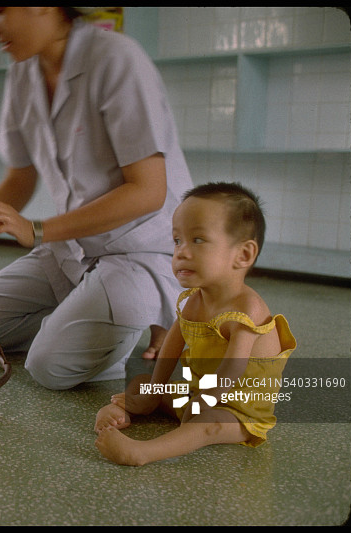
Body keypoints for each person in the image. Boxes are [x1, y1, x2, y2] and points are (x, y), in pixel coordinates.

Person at [0, 7, 193, 390]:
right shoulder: (23, 71)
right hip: (76, 246)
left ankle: (146, 320)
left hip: (139, 248)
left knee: (50, 367)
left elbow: (148, 191)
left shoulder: (116, 58)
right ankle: (89, 324)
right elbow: (20, 178)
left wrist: (39, 228)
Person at [94, 182, 297, 466]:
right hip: (196, 392)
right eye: (177, 240)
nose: (182, 252)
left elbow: (233, 368)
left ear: (243, 255)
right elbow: (171, 346)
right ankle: (120, 412)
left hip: (237, 411)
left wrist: (204, 402)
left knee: (207, 425)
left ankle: (142, 452)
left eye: (198, 240)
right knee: (143, 384)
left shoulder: (247, 309)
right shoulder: (194, 300)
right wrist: (156, 389)